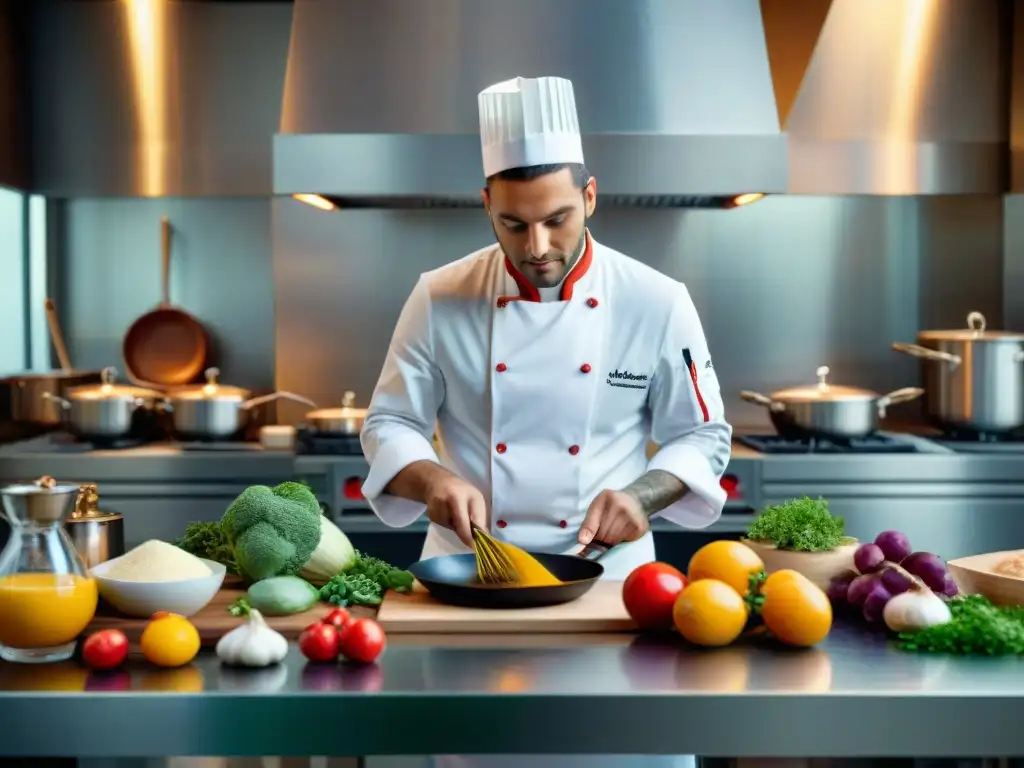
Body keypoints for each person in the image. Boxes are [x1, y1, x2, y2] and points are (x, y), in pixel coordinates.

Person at [360, 75, 732, 768]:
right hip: (467, 589)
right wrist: (432, 477)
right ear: (486, 206)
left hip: (612, 587)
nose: (536, 244)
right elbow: (389, 424)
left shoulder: (656, 300)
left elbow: (703, 436)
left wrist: (642, 497)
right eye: (513, 223)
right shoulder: (439, 297)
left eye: (557, 218)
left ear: (590, 197)